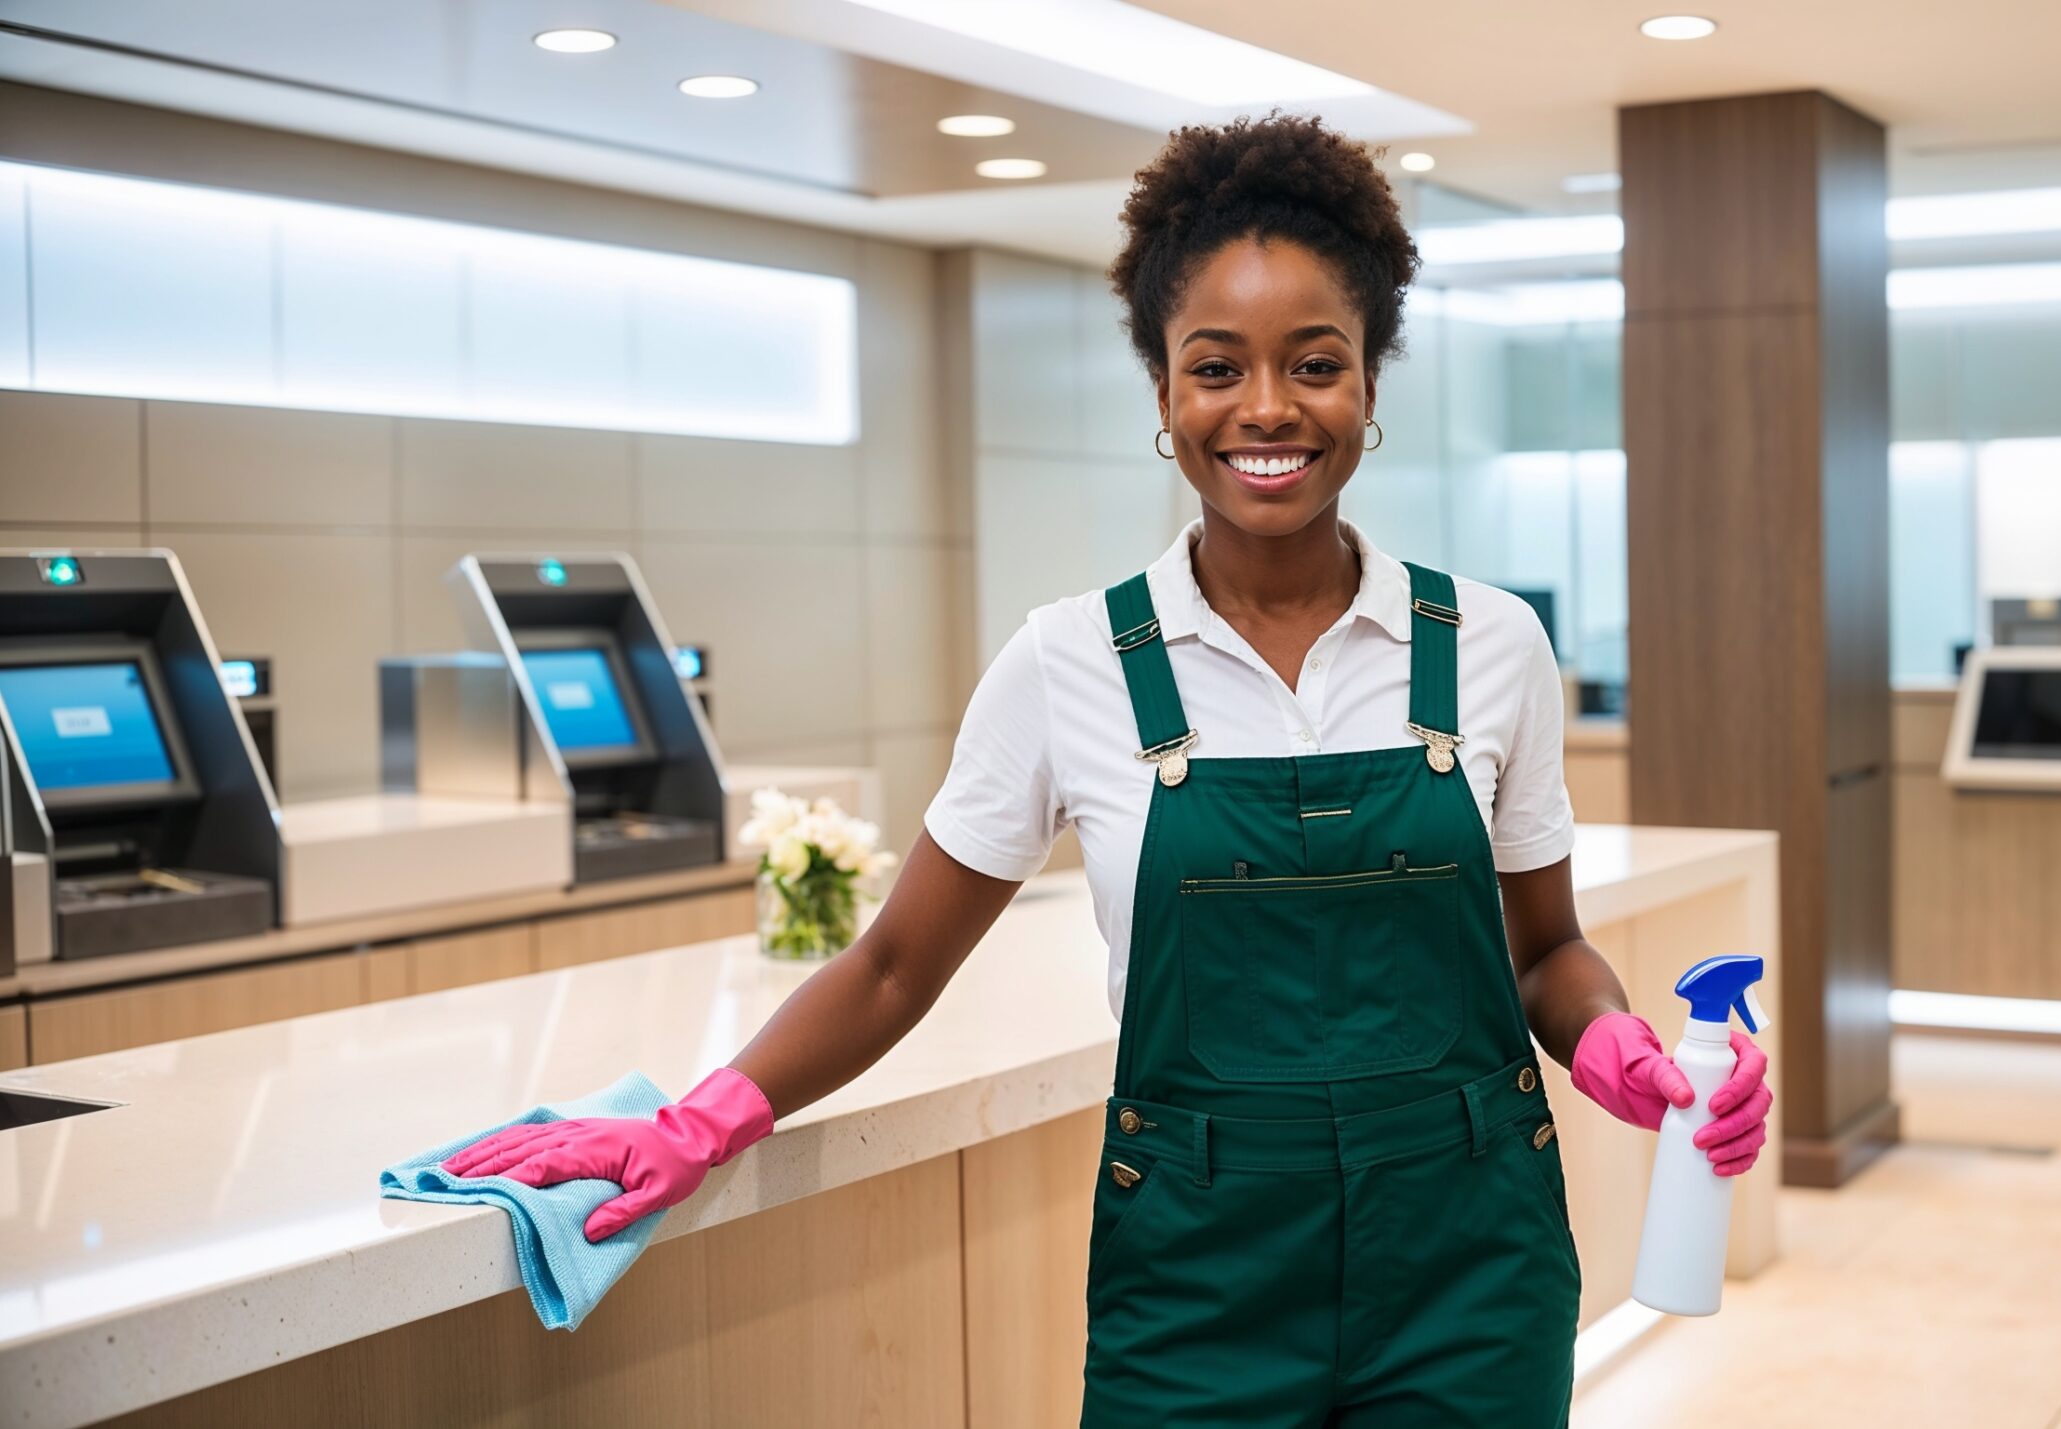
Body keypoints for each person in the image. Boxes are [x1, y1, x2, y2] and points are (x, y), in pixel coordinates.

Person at [440, 112, 1772, 1426]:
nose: (1267, 409)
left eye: (1315, 363)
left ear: (1371, 383)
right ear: (1163, 392)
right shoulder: (1067, 662)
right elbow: (895, 962)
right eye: (1217, 365)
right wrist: (701, 1118)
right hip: (1199, 1288)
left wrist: (1615, 1044)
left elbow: (1546, 952)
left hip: (1473, 1278)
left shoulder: (1490, 645)